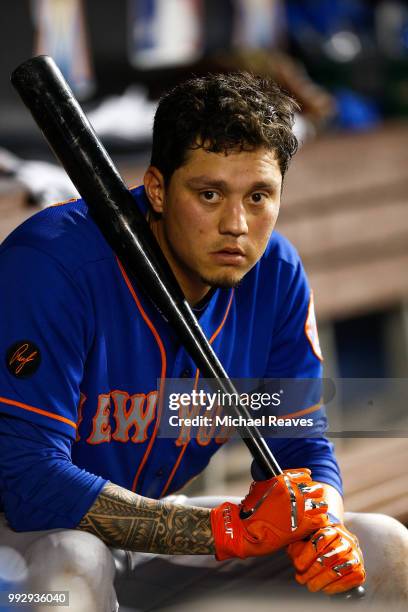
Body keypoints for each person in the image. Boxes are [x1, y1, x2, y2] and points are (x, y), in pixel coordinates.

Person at [0, 73, 406, 612]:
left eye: (258, 196)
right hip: (21, 547)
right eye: (209, 194)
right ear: (159, 189)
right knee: (73, 565)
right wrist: (221, 530)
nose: (236, 225)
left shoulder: (274, 274)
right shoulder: (54, 265)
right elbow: (28, 481)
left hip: (150, 528)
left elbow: (299, 444)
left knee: (381, 546)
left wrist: (320, 522)